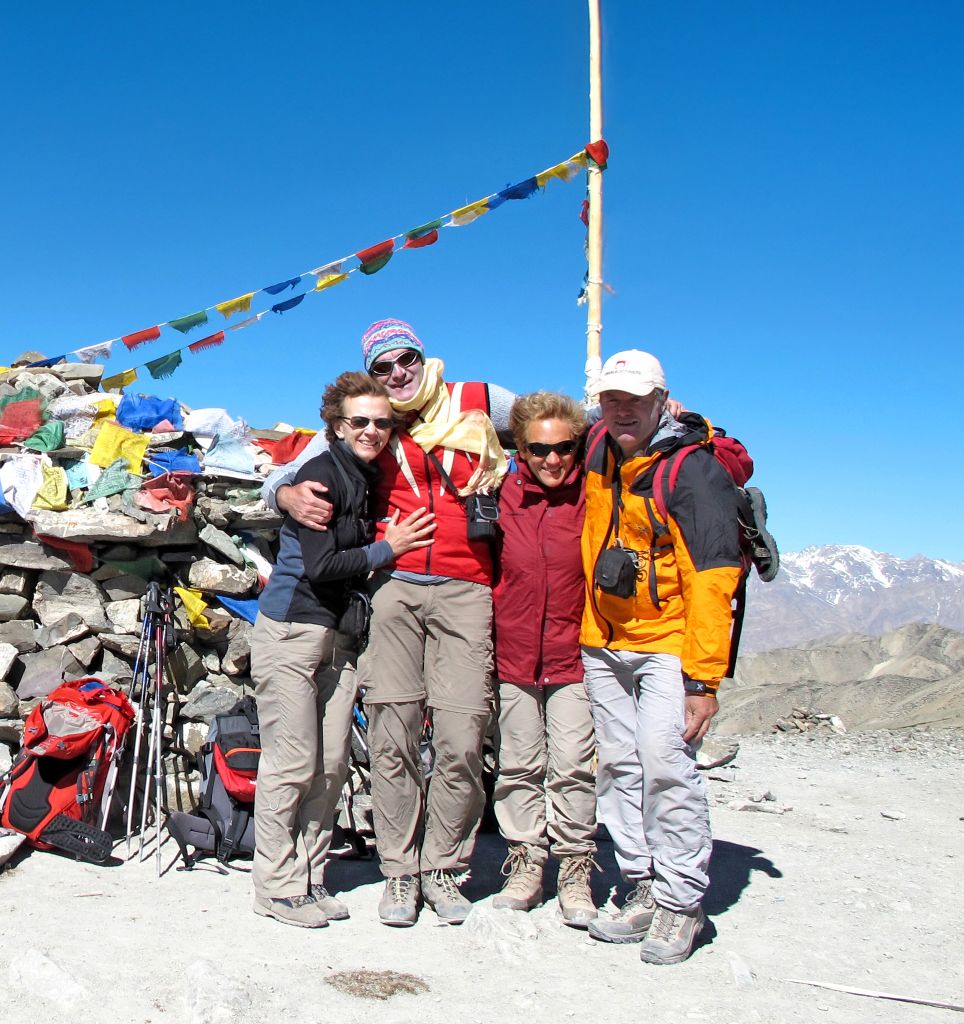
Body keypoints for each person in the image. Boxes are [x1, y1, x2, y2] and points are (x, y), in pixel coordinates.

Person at [262, 319, 509, 926]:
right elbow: (289, 475)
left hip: (453, 592)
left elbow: (558, 422)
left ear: (425, 357)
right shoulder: (359, 438)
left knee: (451, 740)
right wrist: (283, 495)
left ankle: (440, 869)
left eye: (407, 359)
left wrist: (646, 414)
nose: (398, 373)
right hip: (374, 596)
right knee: (381, 740)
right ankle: (386, 874)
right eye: (383, 366)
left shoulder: (476, 403)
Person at [250, 371, 434, 928]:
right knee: (292, 762)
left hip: (338, 638)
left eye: (382, 423)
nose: (372, 431)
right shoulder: (321, 474)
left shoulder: (365, 475)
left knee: (329, 766)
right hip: (292, 631)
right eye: (360, 421)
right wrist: (389, 548)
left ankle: (308, 877)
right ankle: (276, 887)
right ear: (336, 424)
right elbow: (322, 564)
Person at [580, 349, 742, 965]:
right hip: (604, 640)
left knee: (666, 763)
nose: (622, 410)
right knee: (620, 764)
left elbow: (714, 578)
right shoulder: (597, 450)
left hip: (670, 646)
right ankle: (640, 882)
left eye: (634, 400)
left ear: (660, 402)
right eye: (611, 399)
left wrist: (704, 679)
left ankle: (681, 902)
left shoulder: (691, 472)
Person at [490, 392, 599, 927]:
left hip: (572, 654)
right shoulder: (499, 493)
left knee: (575, 764)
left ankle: (576, 867)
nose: (552, 459)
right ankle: (526, 862)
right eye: (539, 448)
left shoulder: (596, 494)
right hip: (513, 652)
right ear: (521, 449)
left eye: (563, 448)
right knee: (518, 764)